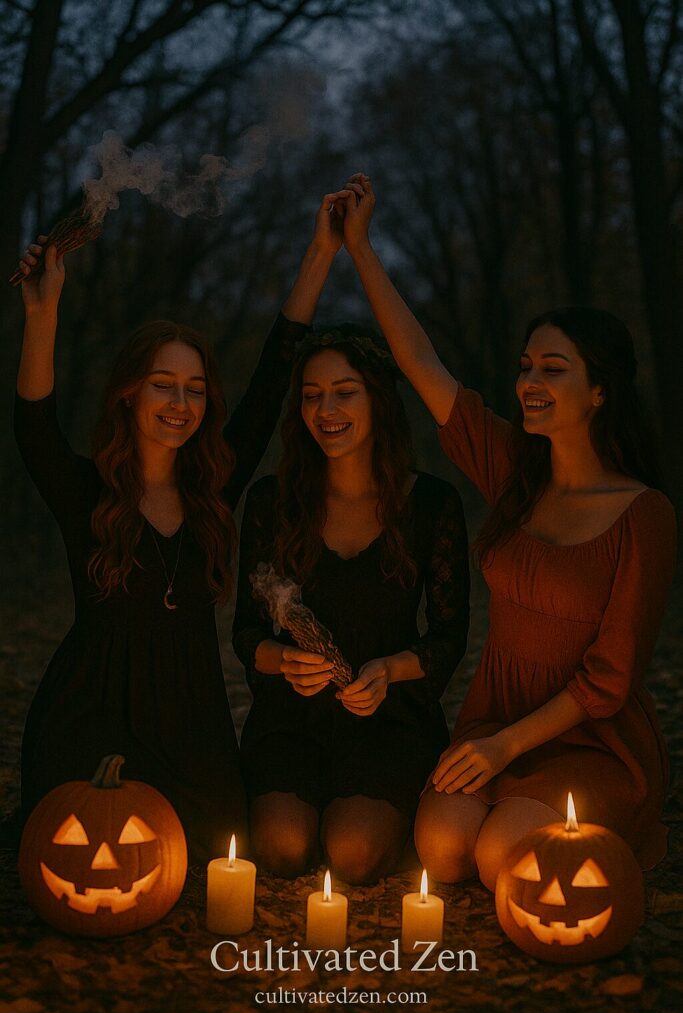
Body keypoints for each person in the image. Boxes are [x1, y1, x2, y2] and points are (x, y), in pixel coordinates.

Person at [338, 172, 677, 889]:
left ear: (599, 392)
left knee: (503, 860)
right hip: (495, 714)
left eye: (552, 369)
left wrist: (504, 750)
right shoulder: (513, 478)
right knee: (443, 851)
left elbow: (609, 681)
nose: (529, 381)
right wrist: (360, 248)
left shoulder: (643, 514)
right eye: (525, 366)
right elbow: (418, 364)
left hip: (587, 735)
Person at [14, 190, 350, 861]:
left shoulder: (213, 487)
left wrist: (321, 251)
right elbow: (34, 422)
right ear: (129, 392)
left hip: (190, 722)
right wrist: (44, 311)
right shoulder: (86, 492)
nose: (180, 401)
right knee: (90, 848)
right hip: (90, 713)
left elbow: (273, 374)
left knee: (212, 855)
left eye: (195, 388)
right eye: (163, 384)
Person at [232, 321, 470, 885]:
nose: (325, 409)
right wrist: (282, 660)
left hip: (387, 719)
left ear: (379, 399)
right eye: (311, 395)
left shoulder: (432, 503)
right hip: (292, 718)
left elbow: (448, 636)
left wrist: (389, 671)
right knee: (283, 850)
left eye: (344, 391)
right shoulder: (271, 501)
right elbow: (245, 631)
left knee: (355, 855)